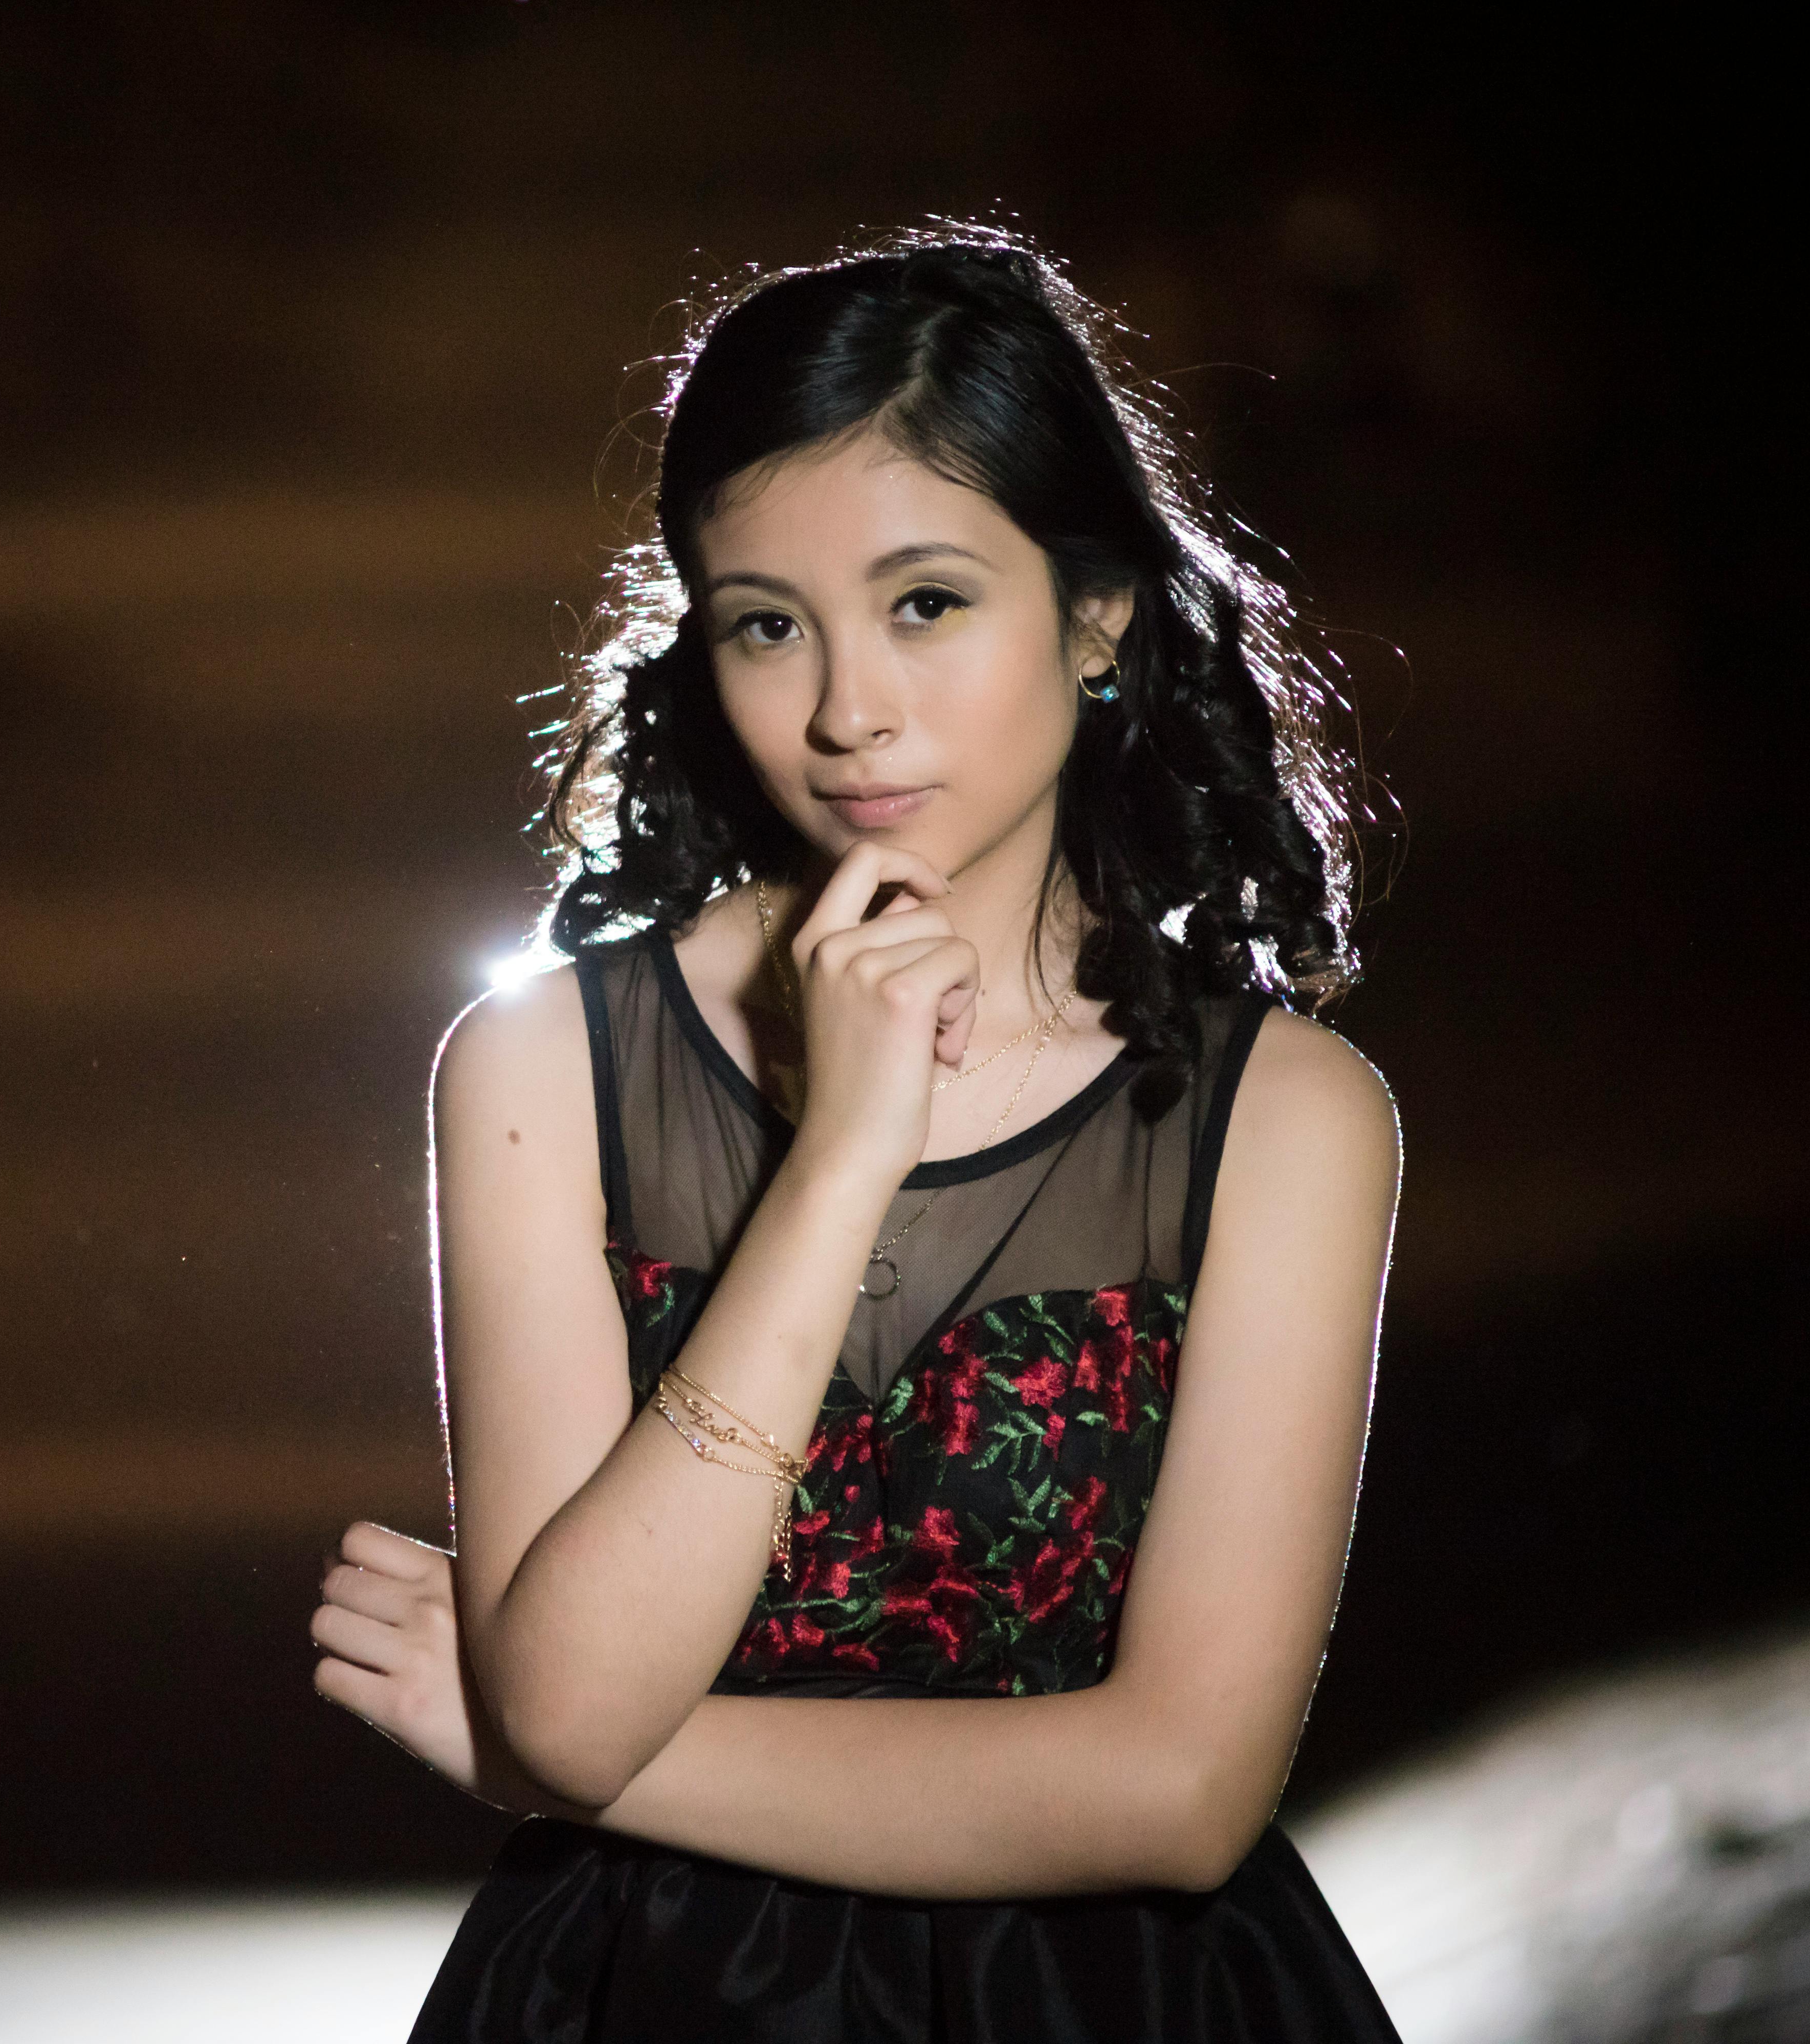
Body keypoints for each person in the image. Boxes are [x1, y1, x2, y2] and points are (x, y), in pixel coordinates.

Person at [313, 232, 1402, 2040]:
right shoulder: (541, 1067)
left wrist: (549, 1753)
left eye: (926, 603)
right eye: (766, 624)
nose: (843, 712)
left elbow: (1184, 1794)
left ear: (1099, 613)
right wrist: (839, 1165)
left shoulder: (1284, 1119)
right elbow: (579, 1700)